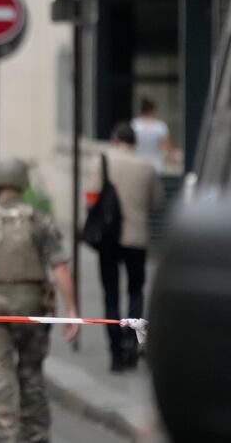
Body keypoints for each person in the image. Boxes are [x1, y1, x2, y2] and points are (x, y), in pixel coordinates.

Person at [0, 157, 79, 443]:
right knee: (32, 376)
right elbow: (60, 267)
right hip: (31, 308)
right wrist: (71, 310)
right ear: (23, 183)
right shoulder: (38, 220)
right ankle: (36, 436)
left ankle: (7, 437)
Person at [86, 123, 163, 372]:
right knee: (135, 291)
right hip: (137, 238)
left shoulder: (102, 161)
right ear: (135, 142)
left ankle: (116, 352)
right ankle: (132, 339)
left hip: (109, 237)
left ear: (115, 138)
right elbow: (157, 201)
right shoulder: (147, 166)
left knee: (110, 294)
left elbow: (90, 197)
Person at [131, 98, 173, 173]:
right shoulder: (160, 126)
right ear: (152, 110)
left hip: (138, 164)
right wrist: (171, 158)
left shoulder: (134, 124)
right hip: (156, 166)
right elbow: (167, 146)